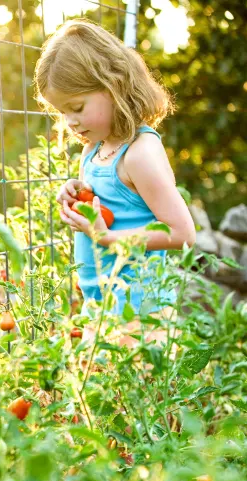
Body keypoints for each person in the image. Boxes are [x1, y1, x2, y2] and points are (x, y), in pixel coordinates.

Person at [34, 19, 196, 347]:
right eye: (62, 112)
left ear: (114, 86)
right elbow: (103, 205)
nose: (70, 122)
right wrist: (75, 192)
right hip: (100, 308)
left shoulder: (139, 153)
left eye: (76, 108)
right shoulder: (93, 150)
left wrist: (107, 238)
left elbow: (182, 234)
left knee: (135, 382)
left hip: (141, 314)